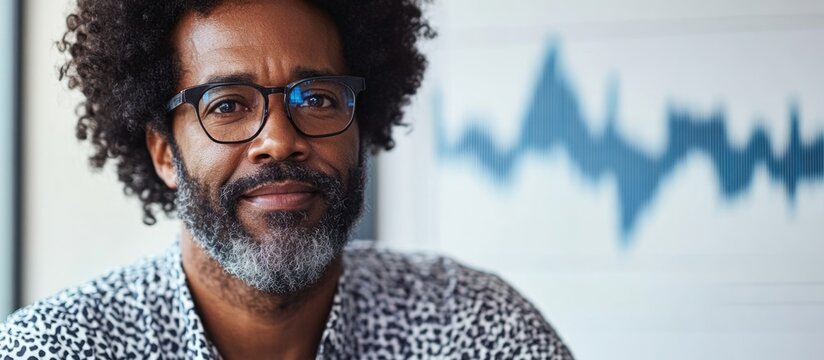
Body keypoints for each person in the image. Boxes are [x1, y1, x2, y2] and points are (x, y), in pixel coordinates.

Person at [1, 0, 573, 358]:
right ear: (164, 153)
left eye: (318, 97)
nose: (279, 139)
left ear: (359, 127)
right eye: (226, 105)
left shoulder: (475, 332)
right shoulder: (58, 348)